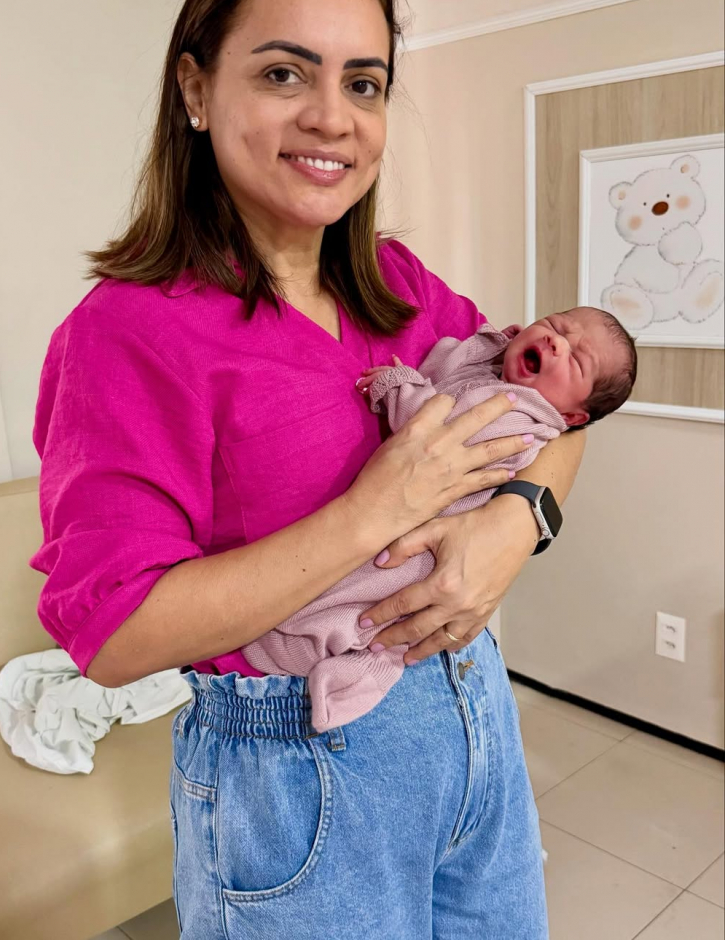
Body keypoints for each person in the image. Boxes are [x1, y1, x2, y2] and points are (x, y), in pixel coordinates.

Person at [29, 0, 587, 937]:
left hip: (471, 720)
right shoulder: (126, 334)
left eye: (363, 83)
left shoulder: (398, 289)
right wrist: (374, 512)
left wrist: (517, 526)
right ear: (196, 89)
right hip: (300, 776)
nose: (332, 117)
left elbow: (561, 412)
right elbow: (113, 635)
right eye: (284, 73)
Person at [243, 306, 637, 731]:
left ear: (572, 417)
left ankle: (334, 653)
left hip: (428, 542)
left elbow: (433, 437)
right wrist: (492, 347)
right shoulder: (499, 378)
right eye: (556, 325)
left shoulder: (517, 414)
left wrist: (398, 384)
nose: (556, 342)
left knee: (370, 593)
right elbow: (448, 362)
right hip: (408, 537)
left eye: (576, 359)